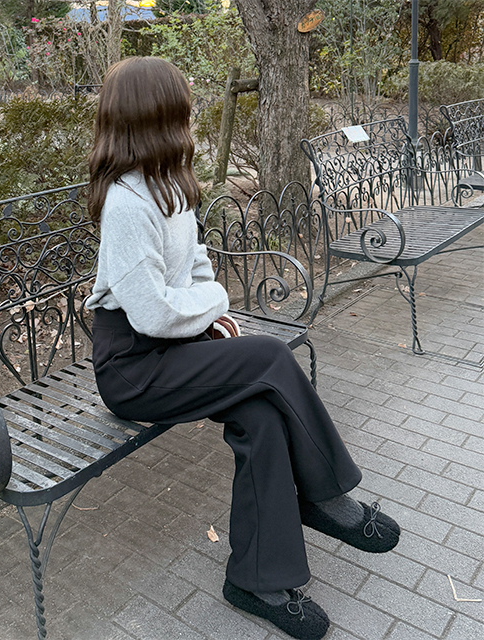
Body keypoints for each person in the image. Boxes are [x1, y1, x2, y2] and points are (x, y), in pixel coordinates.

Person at [85, 57, 400, 640]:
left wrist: (208, 308)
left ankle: (255, 579)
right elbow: (152, 312)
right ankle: (324, 495)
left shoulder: (169, 186)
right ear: (156, 117)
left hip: (173, 347)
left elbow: (197, 264)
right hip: (133, 367)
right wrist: (214, 305)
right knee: (271, 357)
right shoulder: (126, 203)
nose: (191, 118)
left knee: (261, 414)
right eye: (183, 108)